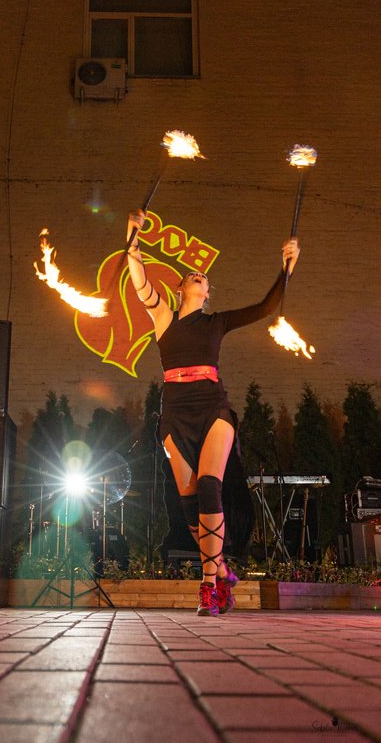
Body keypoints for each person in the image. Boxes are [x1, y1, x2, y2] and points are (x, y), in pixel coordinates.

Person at [126, 210, 300, 616]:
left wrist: (287, 267)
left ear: (207, 294)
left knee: (209, 486)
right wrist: (132, 240)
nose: (198, 276)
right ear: (181, 288)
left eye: (203, 278)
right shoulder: (164, 317)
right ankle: (220, 569)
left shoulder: (218, 322)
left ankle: (208, 585)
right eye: (192, 275)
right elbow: (139, 282)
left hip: (212, 408)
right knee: (189, 503)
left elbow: (266, 306)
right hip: (175, 413)